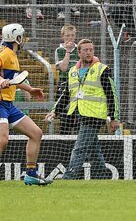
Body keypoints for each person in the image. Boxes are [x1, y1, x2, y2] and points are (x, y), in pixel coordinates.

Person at [0, 23, 49, 186]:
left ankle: (31, 174)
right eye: (21, 36)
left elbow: (14, 81)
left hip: (8, 105)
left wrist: (30, 89)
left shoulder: (11, 54)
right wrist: (0, 80)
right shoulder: (4, 52)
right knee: (2, 140)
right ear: (17, 37)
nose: (23, 39)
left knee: (36, 133)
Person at [46, 38, 119, 180]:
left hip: (95, 116)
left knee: (79, 148)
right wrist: (55, 111)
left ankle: (69, 177)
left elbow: (112, 94)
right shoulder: (73, 71)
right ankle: (102, 175)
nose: (89, 52)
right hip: (79, 114)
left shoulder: (102, 69)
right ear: (78, 52)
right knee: (93, 149)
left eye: (91, 50)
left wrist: (114, 118)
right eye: (85, 50)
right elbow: (66, 94)